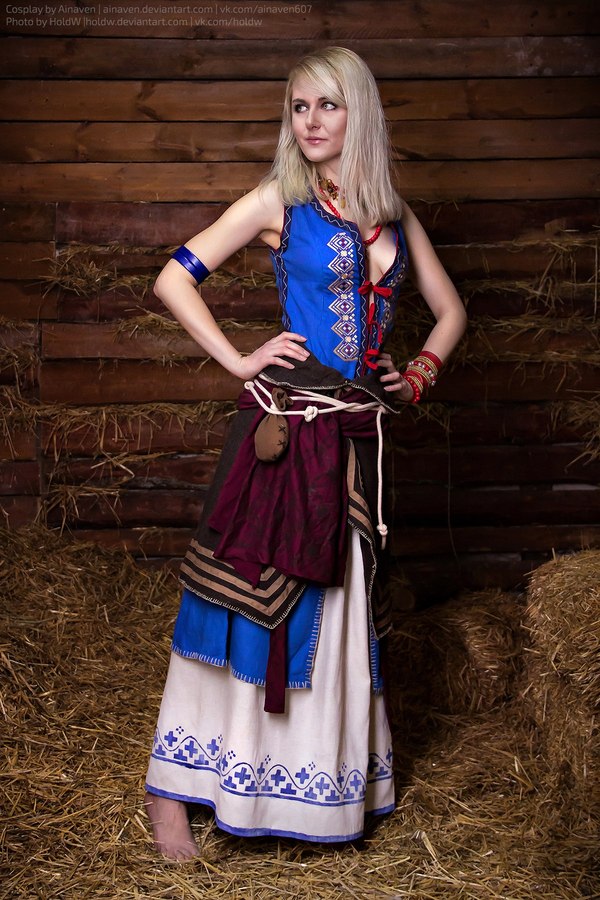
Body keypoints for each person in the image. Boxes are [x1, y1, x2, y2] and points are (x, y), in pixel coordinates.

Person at [144, 46, 467, 859]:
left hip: (355, 437)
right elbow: (174, 278)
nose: (311, 122)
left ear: (360, 111)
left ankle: (309, 784)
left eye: (328, 105)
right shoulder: (278, 201)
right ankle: (172, 790)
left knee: (335, 609)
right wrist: (239, 359)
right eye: (298, 107)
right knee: (242, 599)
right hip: (286, 430)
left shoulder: (393, 214)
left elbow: (450, 312)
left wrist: (415, 377)